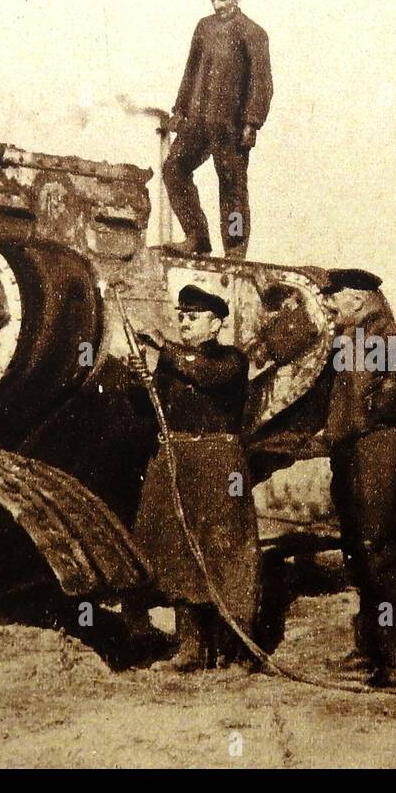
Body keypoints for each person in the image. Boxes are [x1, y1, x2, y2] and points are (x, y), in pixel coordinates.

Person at [132, 284, 259, 669]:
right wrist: (142, 381)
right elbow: (150, 409)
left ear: (217, 323)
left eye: (194, 316)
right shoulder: (172, 360)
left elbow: (205, 375)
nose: (184, 321)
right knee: (178, 551)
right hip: (177, 460)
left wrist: (163, 348)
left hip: (219, 463)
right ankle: (191, 648)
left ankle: (239, 650)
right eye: (181, 315)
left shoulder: (232, 360)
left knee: (227, 551)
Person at [319, 269, 396, 687]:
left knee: (382, 552)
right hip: (351, 452)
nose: (329, 303)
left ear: (359, 299)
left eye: (335, 297)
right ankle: (371, 647)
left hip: (376, 449)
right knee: (358, 553)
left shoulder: (384, 333)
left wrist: (374, 409)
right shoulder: (350, 338)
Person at [163, 0, 273, 259]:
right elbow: (190, 72)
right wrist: (179, 109)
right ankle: (196, 236)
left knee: (232, 189)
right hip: (197, 122)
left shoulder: (253, 33)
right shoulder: (204, 28)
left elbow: (261, 83)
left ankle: (235, 248)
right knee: (174, 169)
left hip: (230, 127)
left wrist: (252, 122)